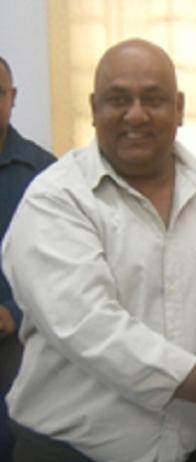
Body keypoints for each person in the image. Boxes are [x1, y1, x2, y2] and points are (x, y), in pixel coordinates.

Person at [1, 39, 196, 462]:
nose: (136, 115)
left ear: (179, 108)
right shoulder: (55, 199)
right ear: (94, 108)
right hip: (70, 453)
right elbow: (89, 326)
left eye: (153, 99)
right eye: (118, 99)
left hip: (195, 449)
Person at [0, 55, 56, 462]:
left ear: (13, 97)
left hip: (17, 349)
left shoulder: (46, 176)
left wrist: (11, 313)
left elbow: (62, 271)